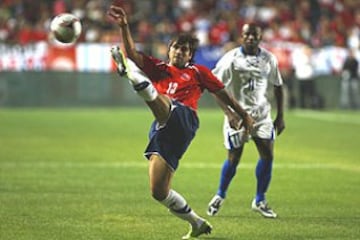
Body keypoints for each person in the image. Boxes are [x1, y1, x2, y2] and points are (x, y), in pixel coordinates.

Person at [107, 5, 254, 239]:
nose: (180, 52)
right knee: (158, 191)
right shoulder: (160, 69)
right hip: (163, 127)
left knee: (165, 104)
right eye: (177, 47)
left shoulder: (198, 72)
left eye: (185, 50)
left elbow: (223, 93)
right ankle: (196, 223)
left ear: (190, 56)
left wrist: (242, 114)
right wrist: (125, 26)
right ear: (169, 50)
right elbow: (133, 53)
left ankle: (130, 76)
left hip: (184, 118)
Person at [207, 23, 285, 219]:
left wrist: (280, 116)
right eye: (247, 34)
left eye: (254, 34)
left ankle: (259, 200)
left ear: (260, 37)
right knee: (234, 158)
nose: (250, 38)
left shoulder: (269, 58)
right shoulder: (230, 58)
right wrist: (229, 114)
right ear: (241, 36)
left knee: (268, 155)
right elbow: (215, 87)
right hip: (238, 116)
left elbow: (278, 86)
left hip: (262, 115)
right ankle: (220, 195)